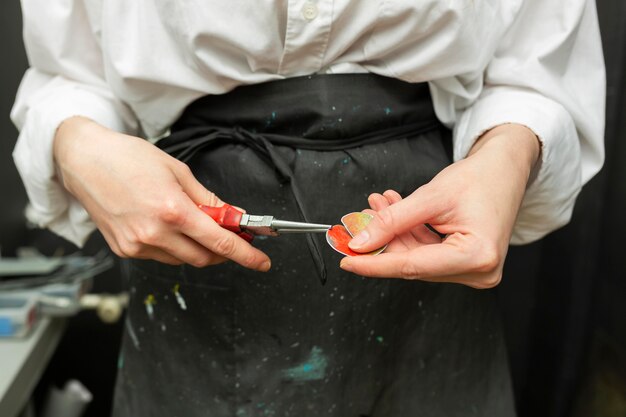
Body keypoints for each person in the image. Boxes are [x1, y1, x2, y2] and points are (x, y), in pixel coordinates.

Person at [11, 1, 605, 416]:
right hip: (193, 274)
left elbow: (536, 63)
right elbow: (68, 74)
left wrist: (506, 155)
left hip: (429, 283)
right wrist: (75, 143)